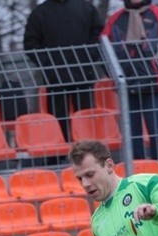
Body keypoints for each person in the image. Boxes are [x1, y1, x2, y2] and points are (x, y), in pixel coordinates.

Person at [102, 0, 158, 163]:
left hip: (152, 84)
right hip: (126, 85)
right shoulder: (116, 18)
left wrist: (157, 66)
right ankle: (137, 171)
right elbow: (105, 47)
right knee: (132, 134)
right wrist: (115, 73)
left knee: (156, 132)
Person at [23, 0, 104, 142]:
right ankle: (59, 153)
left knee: (85, 117)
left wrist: (88, 55)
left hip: (82, 74)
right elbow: (30, 43)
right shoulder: (40, 12)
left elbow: (98, 35)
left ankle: (88, 152)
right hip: (56, 77)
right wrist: (48, 62)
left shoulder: (86, 8)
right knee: (57, 119)